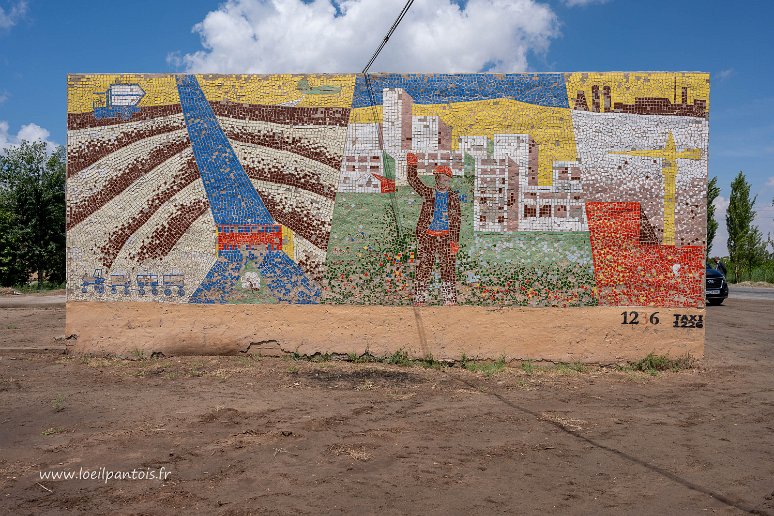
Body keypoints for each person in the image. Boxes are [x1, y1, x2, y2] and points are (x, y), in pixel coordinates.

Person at [406, 152, 461, 306]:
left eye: (446, 179)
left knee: (448, 267)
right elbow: (413, 180)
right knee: (424, 266)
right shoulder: (428, 192)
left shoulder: (453, 197)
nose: (443, 181)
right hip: (427, 236)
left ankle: (449, 298)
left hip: (446, 237)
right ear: (436, 179)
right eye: (441, 178)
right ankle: (420, 297)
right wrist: (411, 165)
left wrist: (454, 242)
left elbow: (456, 221)